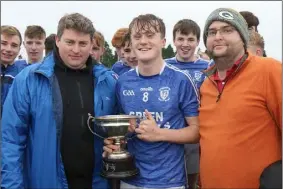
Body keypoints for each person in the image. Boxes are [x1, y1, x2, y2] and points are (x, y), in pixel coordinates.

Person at [1, 13, 118, 189]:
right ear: (57, 40)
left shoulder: (108, 81)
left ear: (92, 43)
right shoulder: (29, 79)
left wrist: (118, 143)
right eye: (70, 42)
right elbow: (10, 141)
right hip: (45, 182)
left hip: (96, 182)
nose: (76, 50)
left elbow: (119, 132)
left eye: (83, 43)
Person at [103, 13, 200, 189]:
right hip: (130, 179)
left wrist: (160, 134)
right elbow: (119, 128)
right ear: (131, 43)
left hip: (170, 181)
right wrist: (117, 139)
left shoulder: (181, 80)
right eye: (137, 36)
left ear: (163, 41)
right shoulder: (123, 82)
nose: (143, 41)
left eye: (150, 35)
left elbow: (196, 132)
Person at [199, 8, 281, 188]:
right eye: (212, 32)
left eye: (227, 30)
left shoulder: (270, 70)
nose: (218, 36)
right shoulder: (206, 85)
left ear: (243, 38)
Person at [165, 19, 208, 189]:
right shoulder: (164, 66)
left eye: (190, 40)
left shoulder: (207, 67)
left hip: (197, 132)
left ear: (198, 42)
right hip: (170, 132)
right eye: (181, 39)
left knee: (192, 179)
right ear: (174, 40)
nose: (185, 44)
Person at [0, 25, 25, 111]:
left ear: (19, 49)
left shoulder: (23, 76)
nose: (8, 49)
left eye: (14, 45)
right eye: (3, 43)